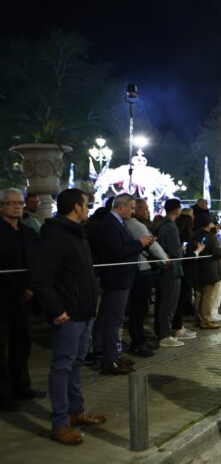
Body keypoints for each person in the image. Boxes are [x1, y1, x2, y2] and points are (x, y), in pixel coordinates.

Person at [28, 189, 107, 445]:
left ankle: (76, 412)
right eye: (86, 204)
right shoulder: (57, 236)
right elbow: (41, 277)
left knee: (75, 364)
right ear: (76, 207)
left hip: (83, 313)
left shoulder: (77, 234)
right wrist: (56, 309)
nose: (88, 208)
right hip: (68, 316)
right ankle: (60, 422)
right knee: (62, 367)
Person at [89, 194, 153, 375]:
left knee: (107, 318)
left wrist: (141, 245)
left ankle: (106, 353)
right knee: (113, 320)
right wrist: (139, 243)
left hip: (121, 278)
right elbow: (117, 251)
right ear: (122, 206)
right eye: (132, 207)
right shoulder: (110, 225)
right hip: (117, 279)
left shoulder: (117, 223)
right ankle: (109, 360)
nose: (134, 212)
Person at [0, 188, 42, 410]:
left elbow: (38, 260)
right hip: (3, 298)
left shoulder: (28, 232)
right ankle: (4, 396)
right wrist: (20, 289)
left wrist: (32, 287)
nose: (17, 206)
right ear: (1, 207)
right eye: (11, 203)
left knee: (21, 345)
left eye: (20, 203)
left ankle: (22, 388)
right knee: (1, 349)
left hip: (24, 299)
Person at [125, 199, 169, 358]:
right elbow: (152, 245)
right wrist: (164, 258)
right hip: (141, 270)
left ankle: (139, 339)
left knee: (139, 308)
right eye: (145, 209)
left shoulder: (130, 225)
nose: (148, 212)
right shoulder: (137, 226)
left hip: (138, 269)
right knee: (139, 308)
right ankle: (138, 342)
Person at [155, 199, 201, 348]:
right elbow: (176, 251)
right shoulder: (170, 227)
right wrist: (183, 249)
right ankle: (165, 335)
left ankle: (164, 332)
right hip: (171, 270)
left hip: (165, 269)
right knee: (168, 305)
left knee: (165, 303)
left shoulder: (161, 224)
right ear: (177, 210)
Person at [193, 213, 221, 330]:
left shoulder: (196, 234)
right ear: (208, 224)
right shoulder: (210, 237)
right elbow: (216, 252)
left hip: (199, 269)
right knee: (208, 297)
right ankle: (206, 320)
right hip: (210, 270)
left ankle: (199, 318)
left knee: (201, 296)